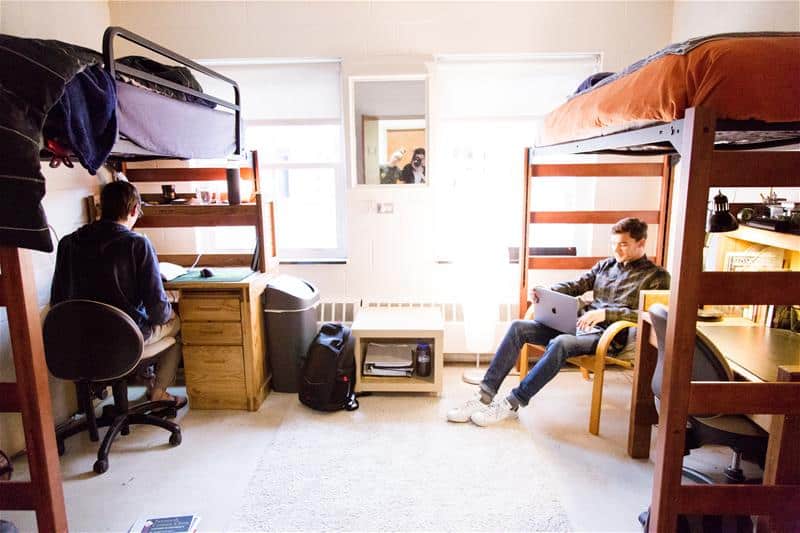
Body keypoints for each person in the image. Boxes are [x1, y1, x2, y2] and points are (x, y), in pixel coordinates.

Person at [447, 217, 670, 427]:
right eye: (613, 243)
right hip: (582, 325)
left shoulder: (657, 277)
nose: (616, 249)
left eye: (623, 244)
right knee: (518, 327)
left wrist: (606, 314)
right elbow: (576, 284)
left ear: (641, 243)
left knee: (561, 343)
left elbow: (649, 314)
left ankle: (512, 403)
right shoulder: (605, 266)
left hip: (609, 335)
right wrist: (546, 290)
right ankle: (484, 396)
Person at [50, 180, 186, 408]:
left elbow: (58, 300)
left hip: (78, 344)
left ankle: (144, 378)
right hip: (124, 343)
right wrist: (172, 301)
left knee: (139, 326)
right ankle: (159, 392)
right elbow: (158, 312)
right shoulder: (137, 244)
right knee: (176, 324)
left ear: (102, 208)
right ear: (134, 210)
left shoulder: (68, 243)